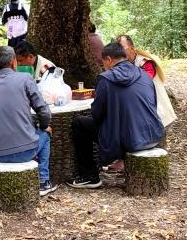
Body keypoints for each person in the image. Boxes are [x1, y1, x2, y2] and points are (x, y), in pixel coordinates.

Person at [67, 42, 164, 189]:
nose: (104, 66)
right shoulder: (143, 74)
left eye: (103, 63)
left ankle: (89, 176)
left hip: (130, 140)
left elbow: (97, 113)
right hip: (154, 134)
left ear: (109, 59)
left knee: (80, 123)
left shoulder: (106, 78)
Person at [0, 47, 57, 196]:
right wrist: (44, 126)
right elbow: (43, 111)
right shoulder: (25, 79)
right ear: (13, 62)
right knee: (45, 134)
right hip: (26, 151)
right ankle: (43, 181)